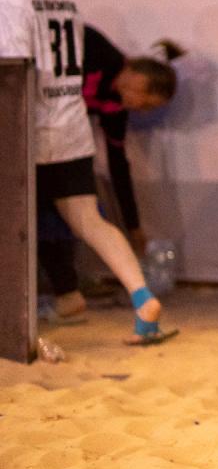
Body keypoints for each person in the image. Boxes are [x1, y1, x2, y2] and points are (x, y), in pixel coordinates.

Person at [0, 0, 176, 346]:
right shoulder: (65, 2)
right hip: (72, 131)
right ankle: (142, 299)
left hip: (30, 132)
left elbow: (14, 75)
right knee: (89, 220)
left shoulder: (13, 4)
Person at [38, 23, 180, 319]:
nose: (141, 110)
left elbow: (118, 165)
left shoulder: (115, 105)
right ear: (139, 80)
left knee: (68, 218)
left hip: (61, 150)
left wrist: (134, 227)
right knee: (55, 215)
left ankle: (80, 291)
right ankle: (72, 291)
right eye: (146, 103)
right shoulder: (95, 49)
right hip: (43, 140)